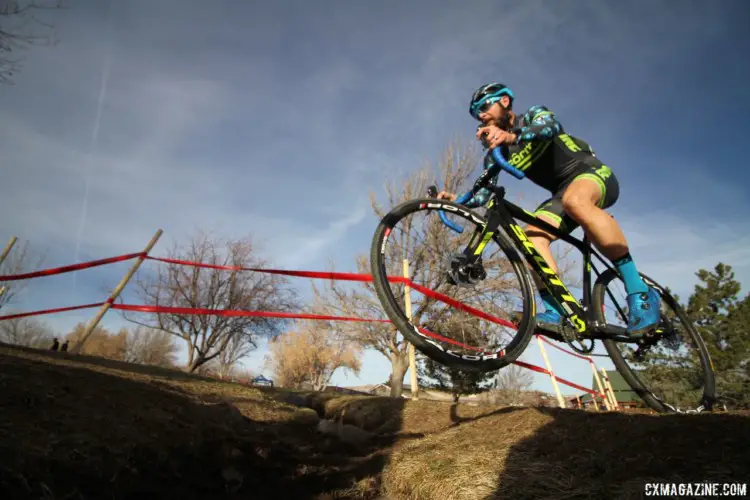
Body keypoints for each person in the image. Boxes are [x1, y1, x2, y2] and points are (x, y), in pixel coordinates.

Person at [437, 82, 661, 335]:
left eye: (484, 106)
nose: (480, 115)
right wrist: (455, 200)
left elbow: (552, 127)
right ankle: (558, 312)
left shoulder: (533, 116)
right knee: (531, 239)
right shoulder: (496, 151)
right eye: (475, 113)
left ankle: (640, 291)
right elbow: (484, 194)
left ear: (505, 101)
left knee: (575, 201)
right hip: (561, 195)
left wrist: (513, 136)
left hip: (591, 174)